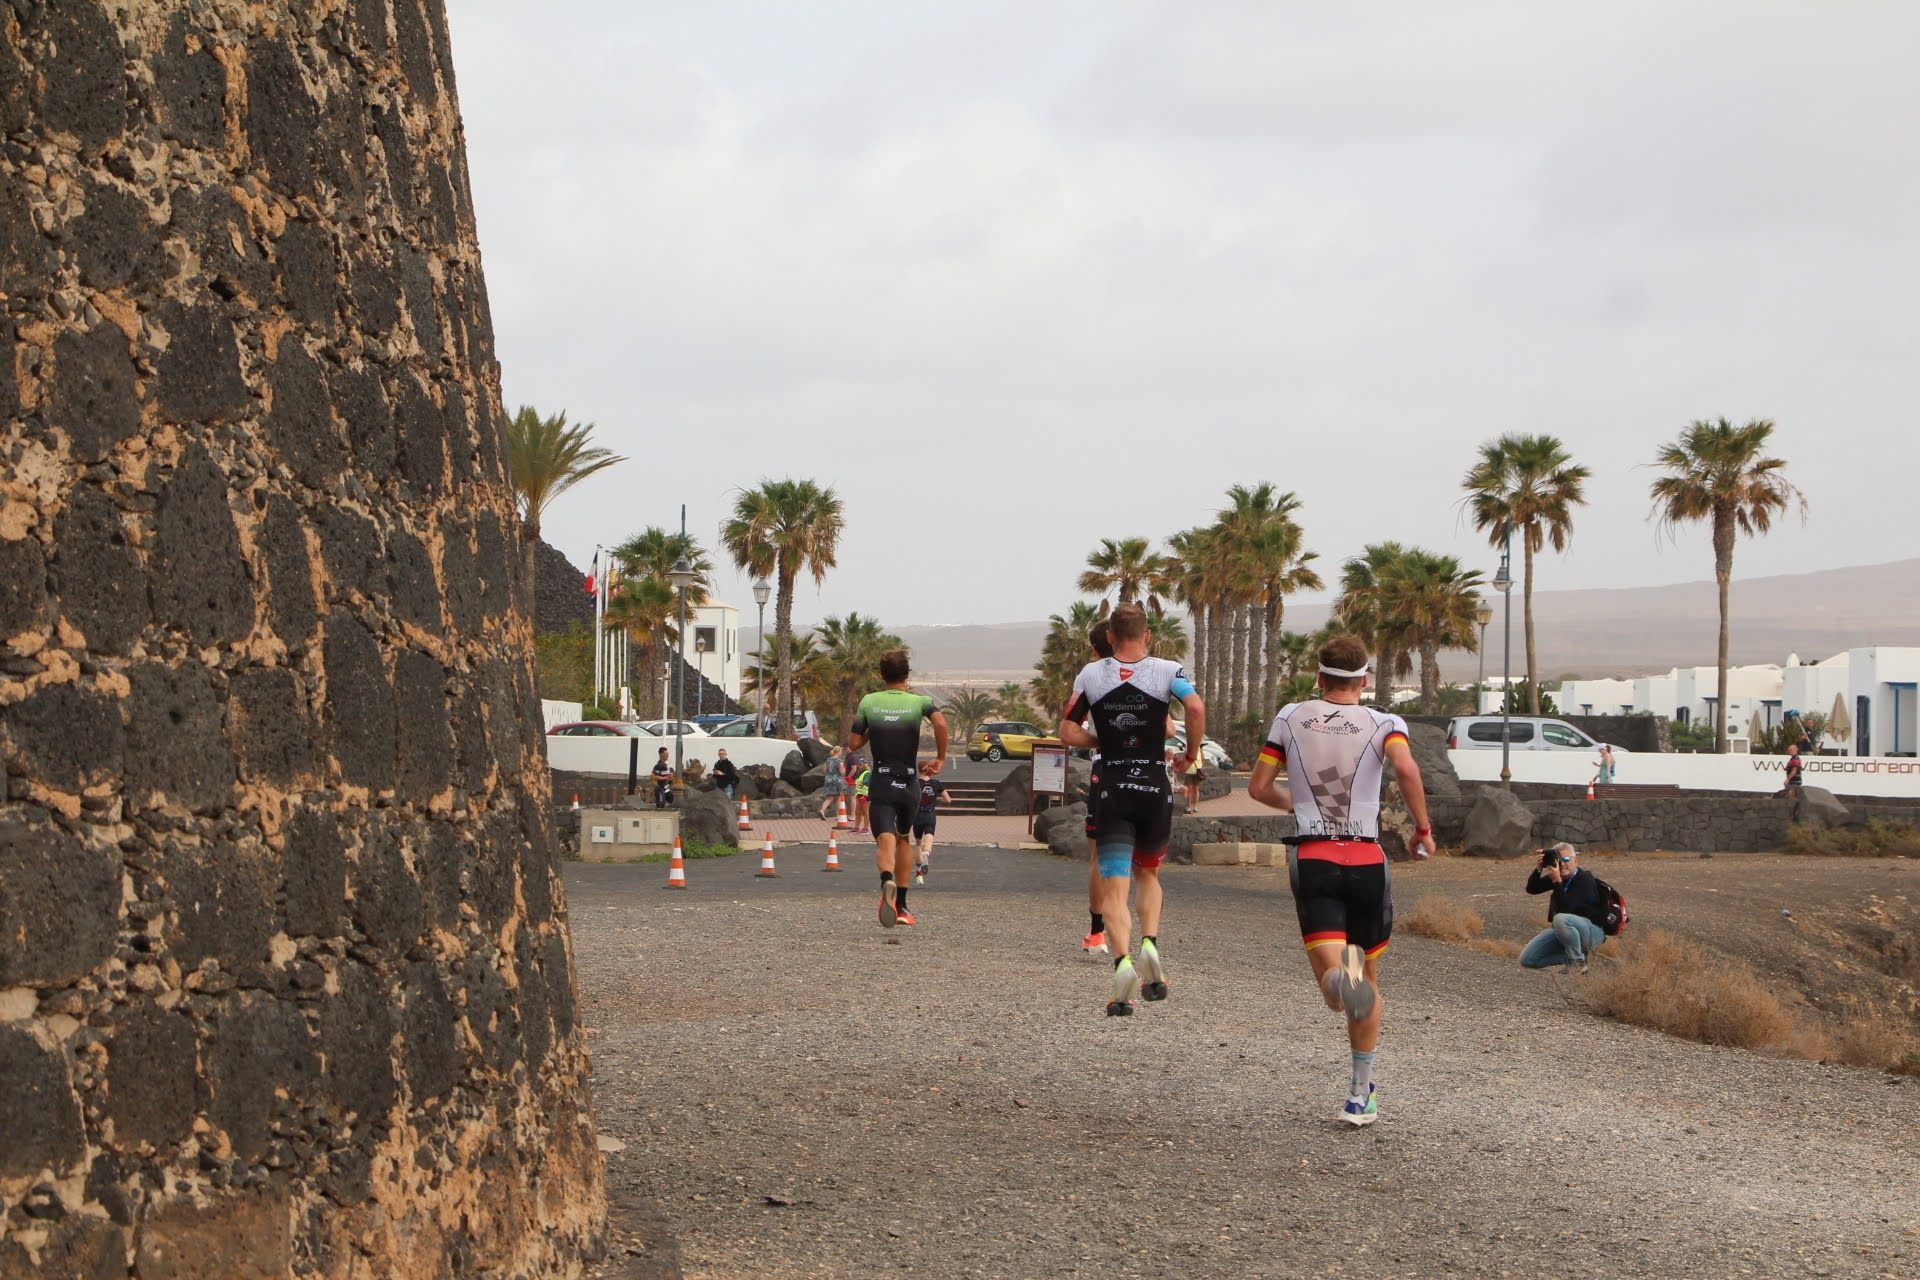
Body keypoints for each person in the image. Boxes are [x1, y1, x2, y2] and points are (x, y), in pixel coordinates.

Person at [1247, 633, 1436, 1128]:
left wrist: (1295, 804)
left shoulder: (1290, 717)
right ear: (1365, 679)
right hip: (1367, 860)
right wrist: (1422, 827)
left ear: (1319, 677)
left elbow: (1258, 787)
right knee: (1364, 976)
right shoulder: (1385, 723)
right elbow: (1407, 769)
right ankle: (1359, 1096)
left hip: (1315, 857)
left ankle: (1338, 982)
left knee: (1337, 988)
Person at [1057, 604, 1204, 1017]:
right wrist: (1190, 754)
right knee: (1149, 874)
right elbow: (1193, 709)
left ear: (1109, 638)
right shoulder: (1169, 670)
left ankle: (1121, 962)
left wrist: (1100, 742)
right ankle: (1150, 945)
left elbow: (1067, 730)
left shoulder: (1092, 675)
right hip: (1154, 784)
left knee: (1114, 884)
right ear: (1148, 635)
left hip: (1113, 785)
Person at [847, 649, 949, 928]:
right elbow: (941, 723)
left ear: (882, 675)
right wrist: (940, 758)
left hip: (881, 780)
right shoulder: (920, 702)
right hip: (909, 783)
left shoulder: (869, 701)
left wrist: (874, 727)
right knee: (904, 838)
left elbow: (854, 744)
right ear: (907, 674)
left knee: (885, 839)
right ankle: (902, 906)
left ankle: (886, 880)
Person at [1520, 843, 1607, 973]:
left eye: (1566, 859)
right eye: (1559, 860)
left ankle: (1577, 962)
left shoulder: (1584, 879)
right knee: (1528, 959)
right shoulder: (1560, 877)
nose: (1563, 864)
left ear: (1576, 860)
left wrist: (1557, 882)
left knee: (1560, 919)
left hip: (1592, 932)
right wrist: (1539, 868)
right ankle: (1580, 958)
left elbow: (1567, 909)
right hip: (1568, 931)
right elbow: (1532, 889)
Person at [911, 759, 946, 884]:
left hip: (916, 815)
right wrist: (937, 800)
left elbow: (910, 798)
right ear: (929, 769)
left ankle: (919, 873)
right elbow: (948, 799)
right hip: (930, 814)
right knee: (929, 835)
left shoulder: (914, 783)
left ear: (919, 770)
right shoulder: (936, 783)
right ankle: (926, 853)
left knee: (918, 843)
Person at [818, 745, 848, 821]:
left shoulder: (828, 760)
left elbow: (824, 770)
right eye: (841, 751)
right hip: (836, 780)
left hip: (828, 779)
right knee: (837, 798)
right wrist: (845, 770)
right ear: (838, 752)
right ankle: (838, 815)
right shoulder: (839, 761)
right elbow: (842, 772)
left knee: (829, 797)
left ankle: (822, 810)